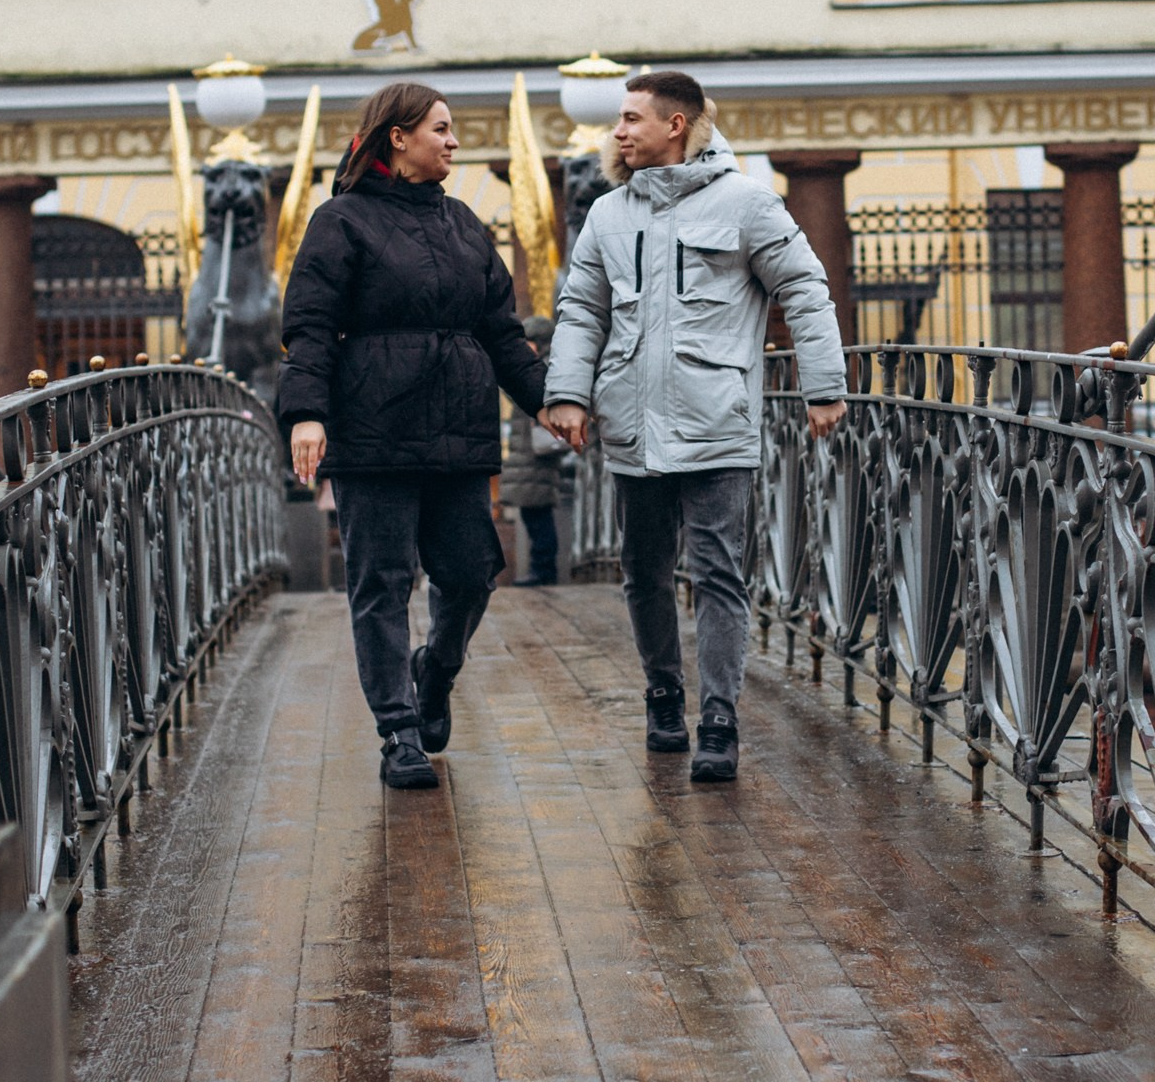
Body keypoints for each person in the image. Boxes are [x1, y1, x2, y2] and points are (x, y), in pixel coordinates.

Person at [542, 70, 848, 782]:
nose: (616, 132)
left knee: (717, 575)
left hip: (717, 425)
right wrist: (568, 394)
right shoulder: (608, 214)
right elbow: (581, 310)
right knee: (644, 574)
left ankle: (719, 720)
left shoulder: (745, 204)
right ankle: (662, 694)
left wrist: (824, 385)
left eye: (629, 119)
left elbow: (803, 286)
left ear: (674, 125)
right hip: (631, 429)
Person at [278, 82, 547, 790]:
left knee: (469, 574)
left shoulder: (464, 224)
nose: (454, 141)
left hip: (458, 429)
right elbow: (308, 326)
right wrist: (307, 412)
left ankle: (437, 672)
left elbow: (501, 332)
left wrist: (550, 402)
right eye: (443, 128)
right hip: (374, 429)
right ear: (399, 137)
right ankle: (398, 731)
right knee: (382, 585)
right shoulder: (340, 221)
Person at [501, 315, 566, 585]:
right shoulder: (539, 367)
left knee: (538, 514)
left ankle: (543, 570)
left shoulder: (545, 368)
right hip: (527, 456)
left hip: (535, 457)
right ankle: (541, 569)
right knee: (533, 513)